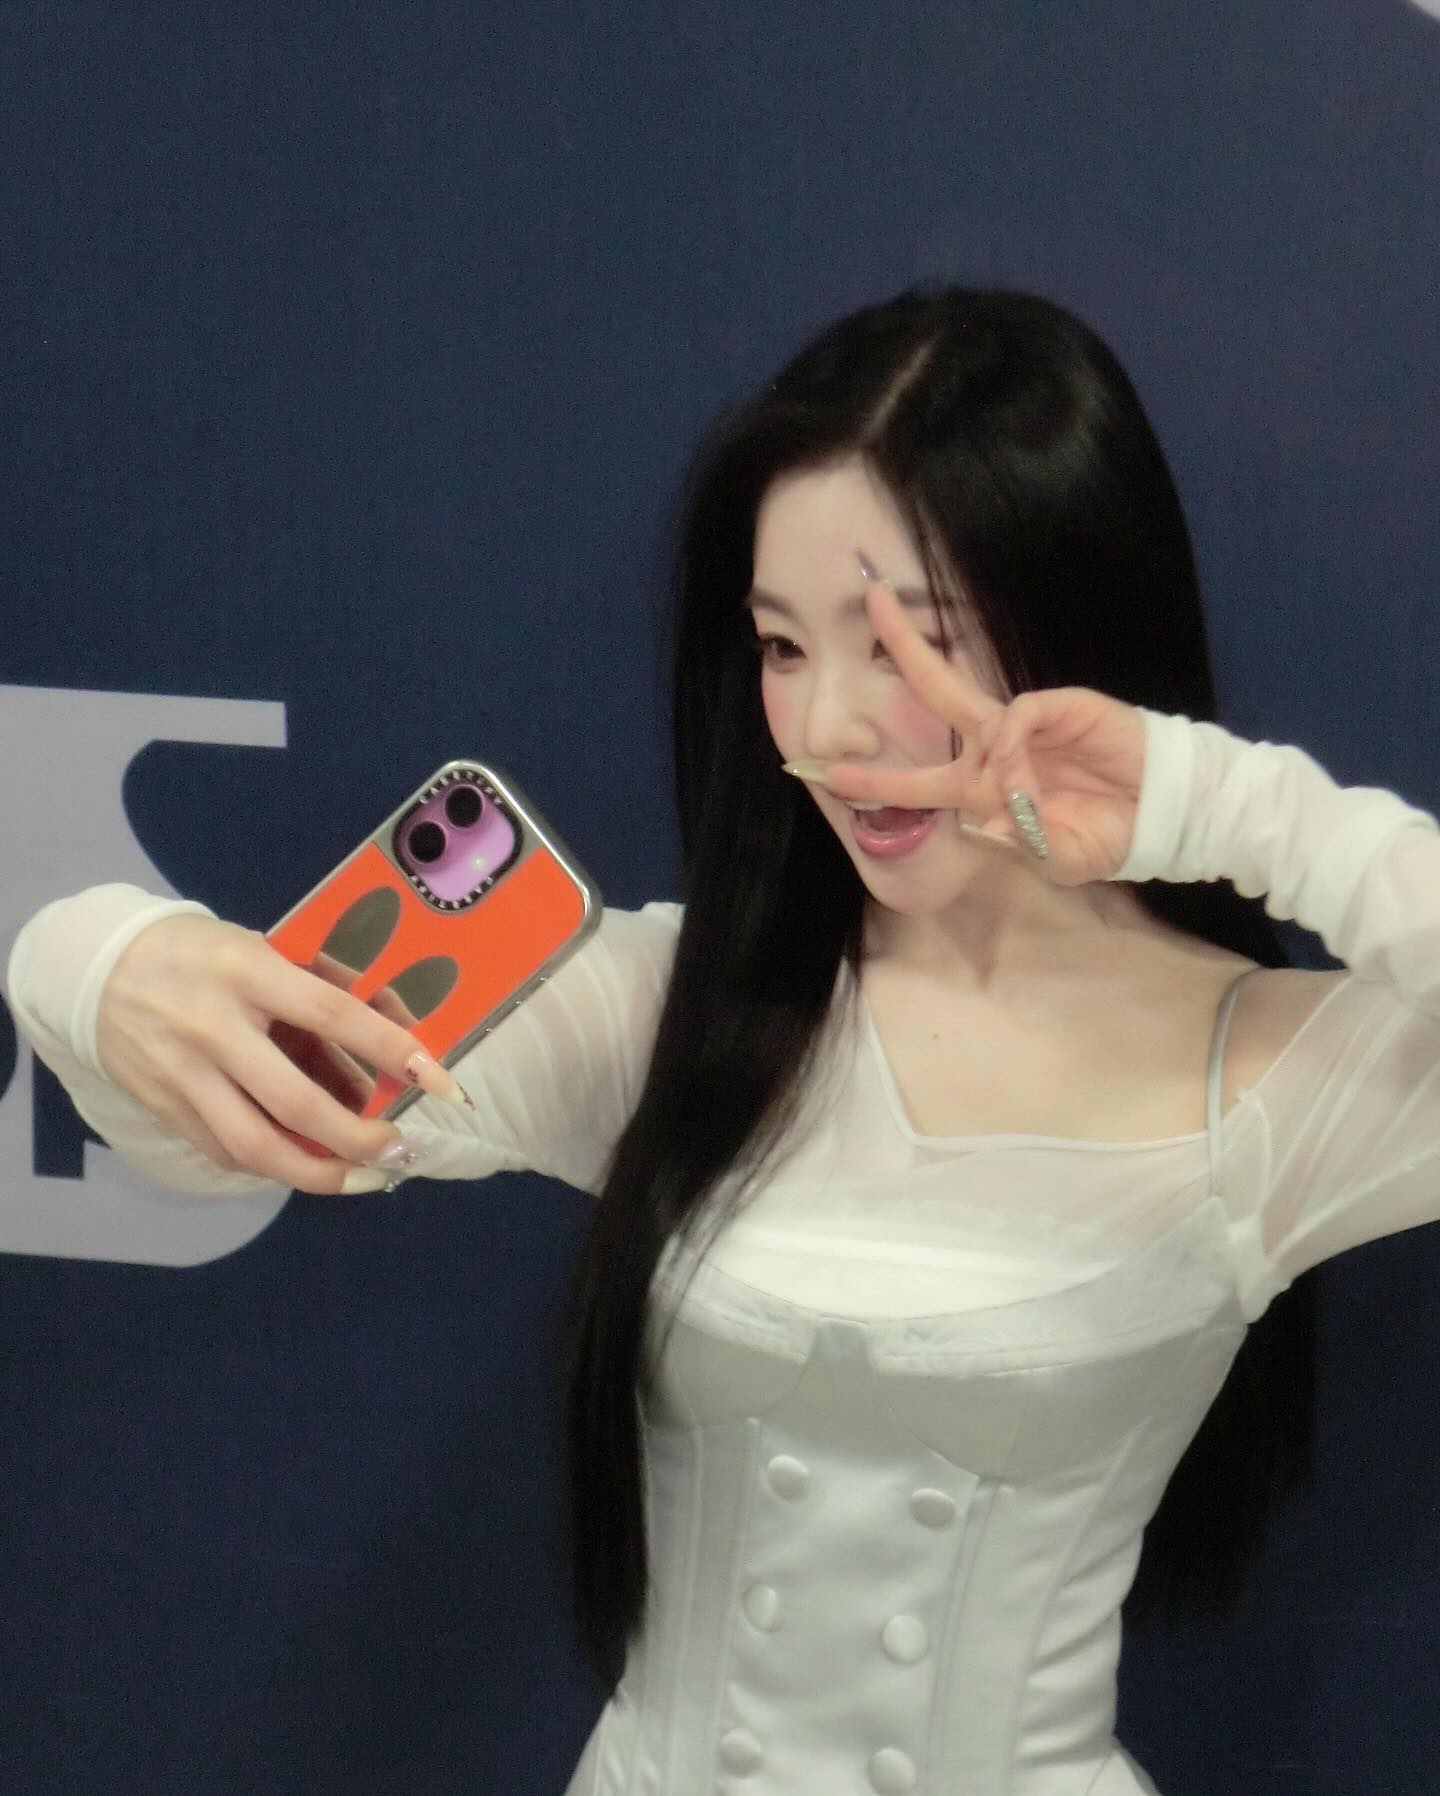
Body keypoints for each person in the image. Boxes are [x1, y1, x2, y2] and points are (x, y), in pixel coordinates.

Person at [8, 288, 1440, 1796]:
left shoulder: (1265, 1081)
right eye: (781, 645)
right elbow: (223, 1137)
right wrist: (97, 962)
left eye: (910, 644)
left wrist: (1210, 804)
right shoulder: (673, 1009)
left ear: (1074, 629)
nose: (828, 729)